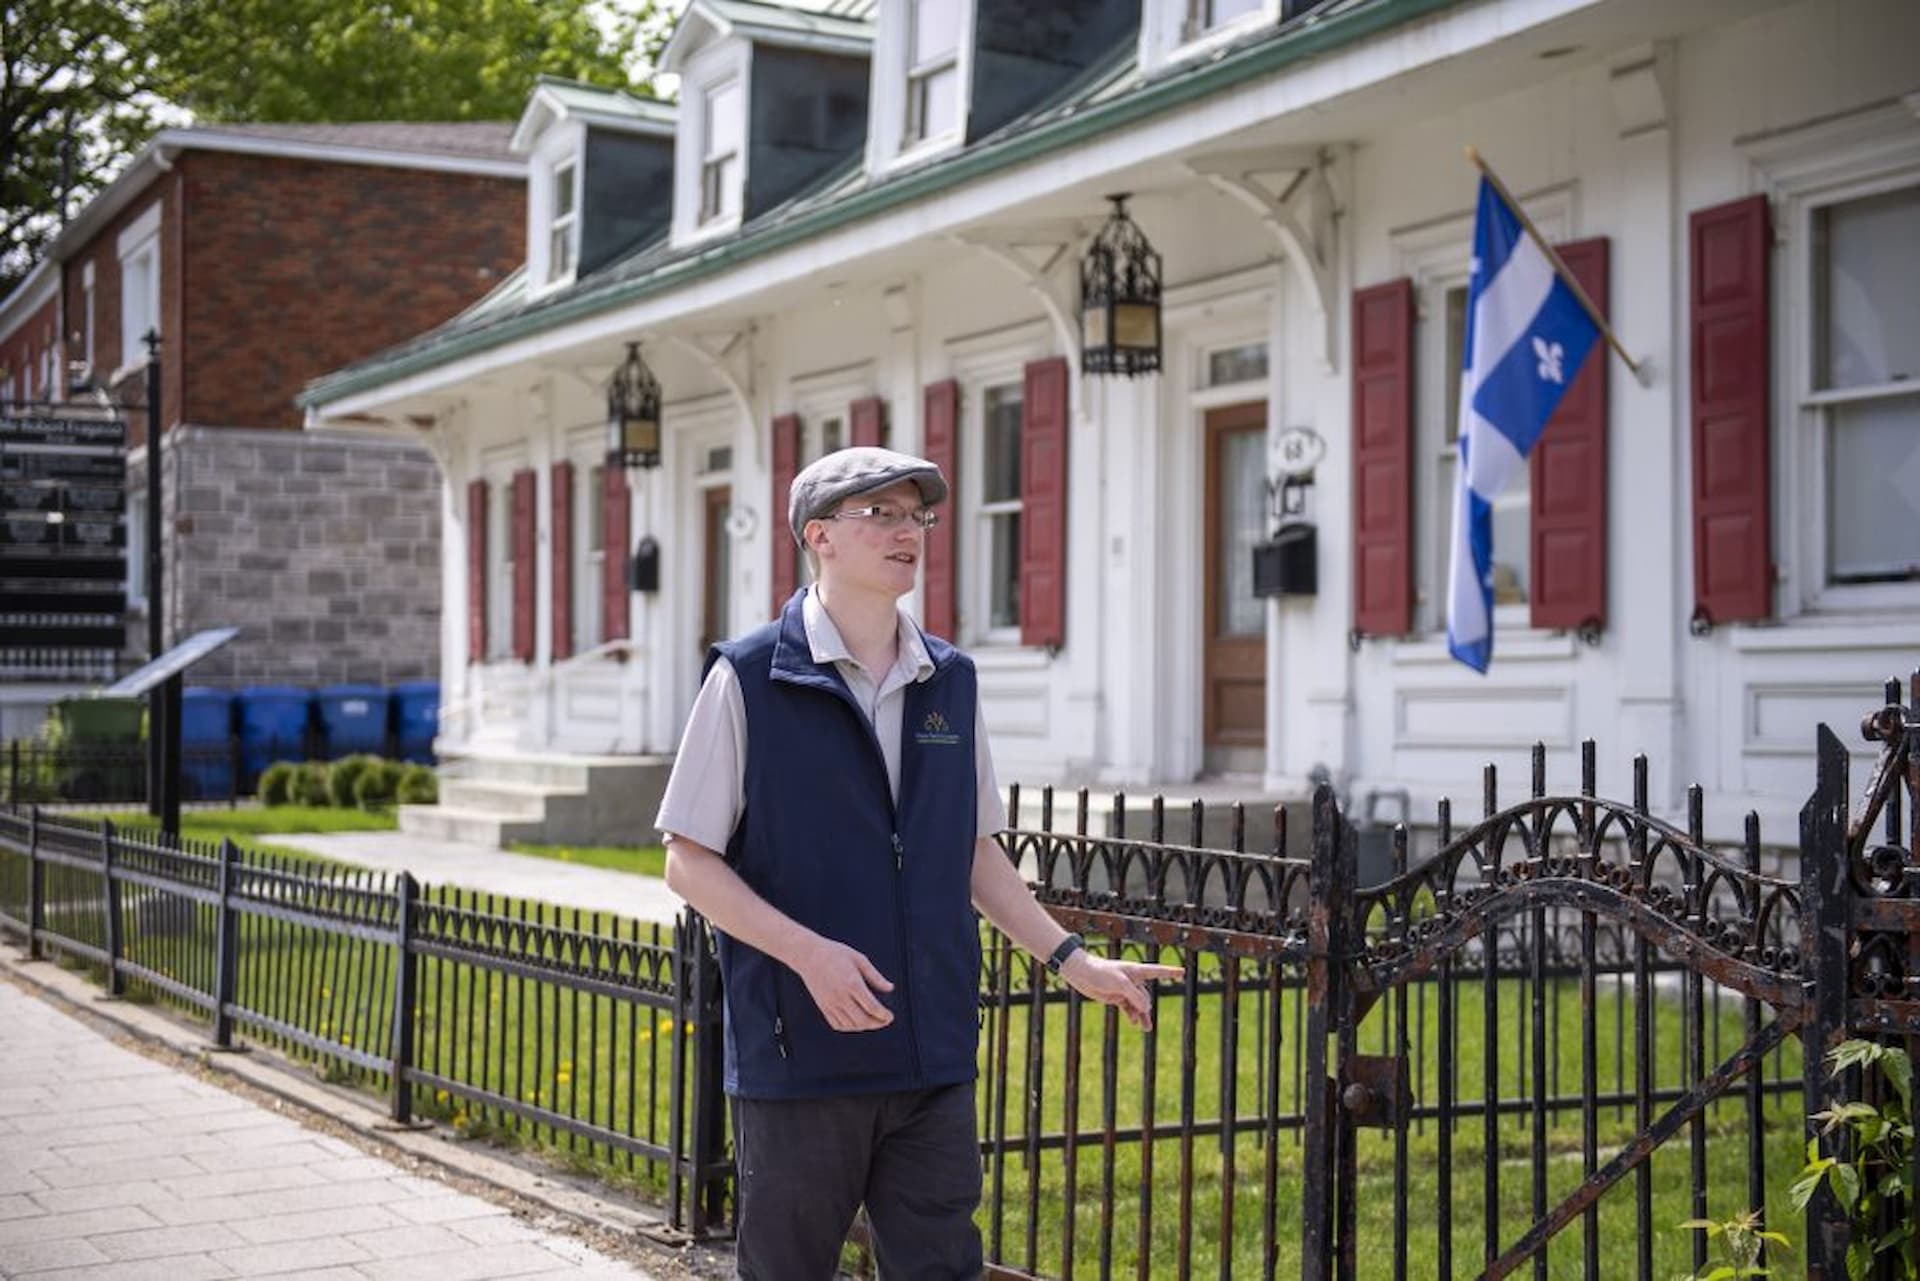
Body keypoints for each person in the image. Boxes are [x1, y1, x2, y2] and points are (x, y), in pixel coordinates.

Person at [657, 445, 1181, 1280]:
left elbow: (973, 850)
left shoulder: (951, 680)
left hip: (931, 1055)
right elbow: (688, 860)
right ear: (819, 534)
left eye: (917, 516)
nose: (909, 531)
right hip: (803, 1056)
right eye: (883, 514)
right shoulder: (749, 677)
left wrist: (1072, 959)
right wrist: (809, 953)